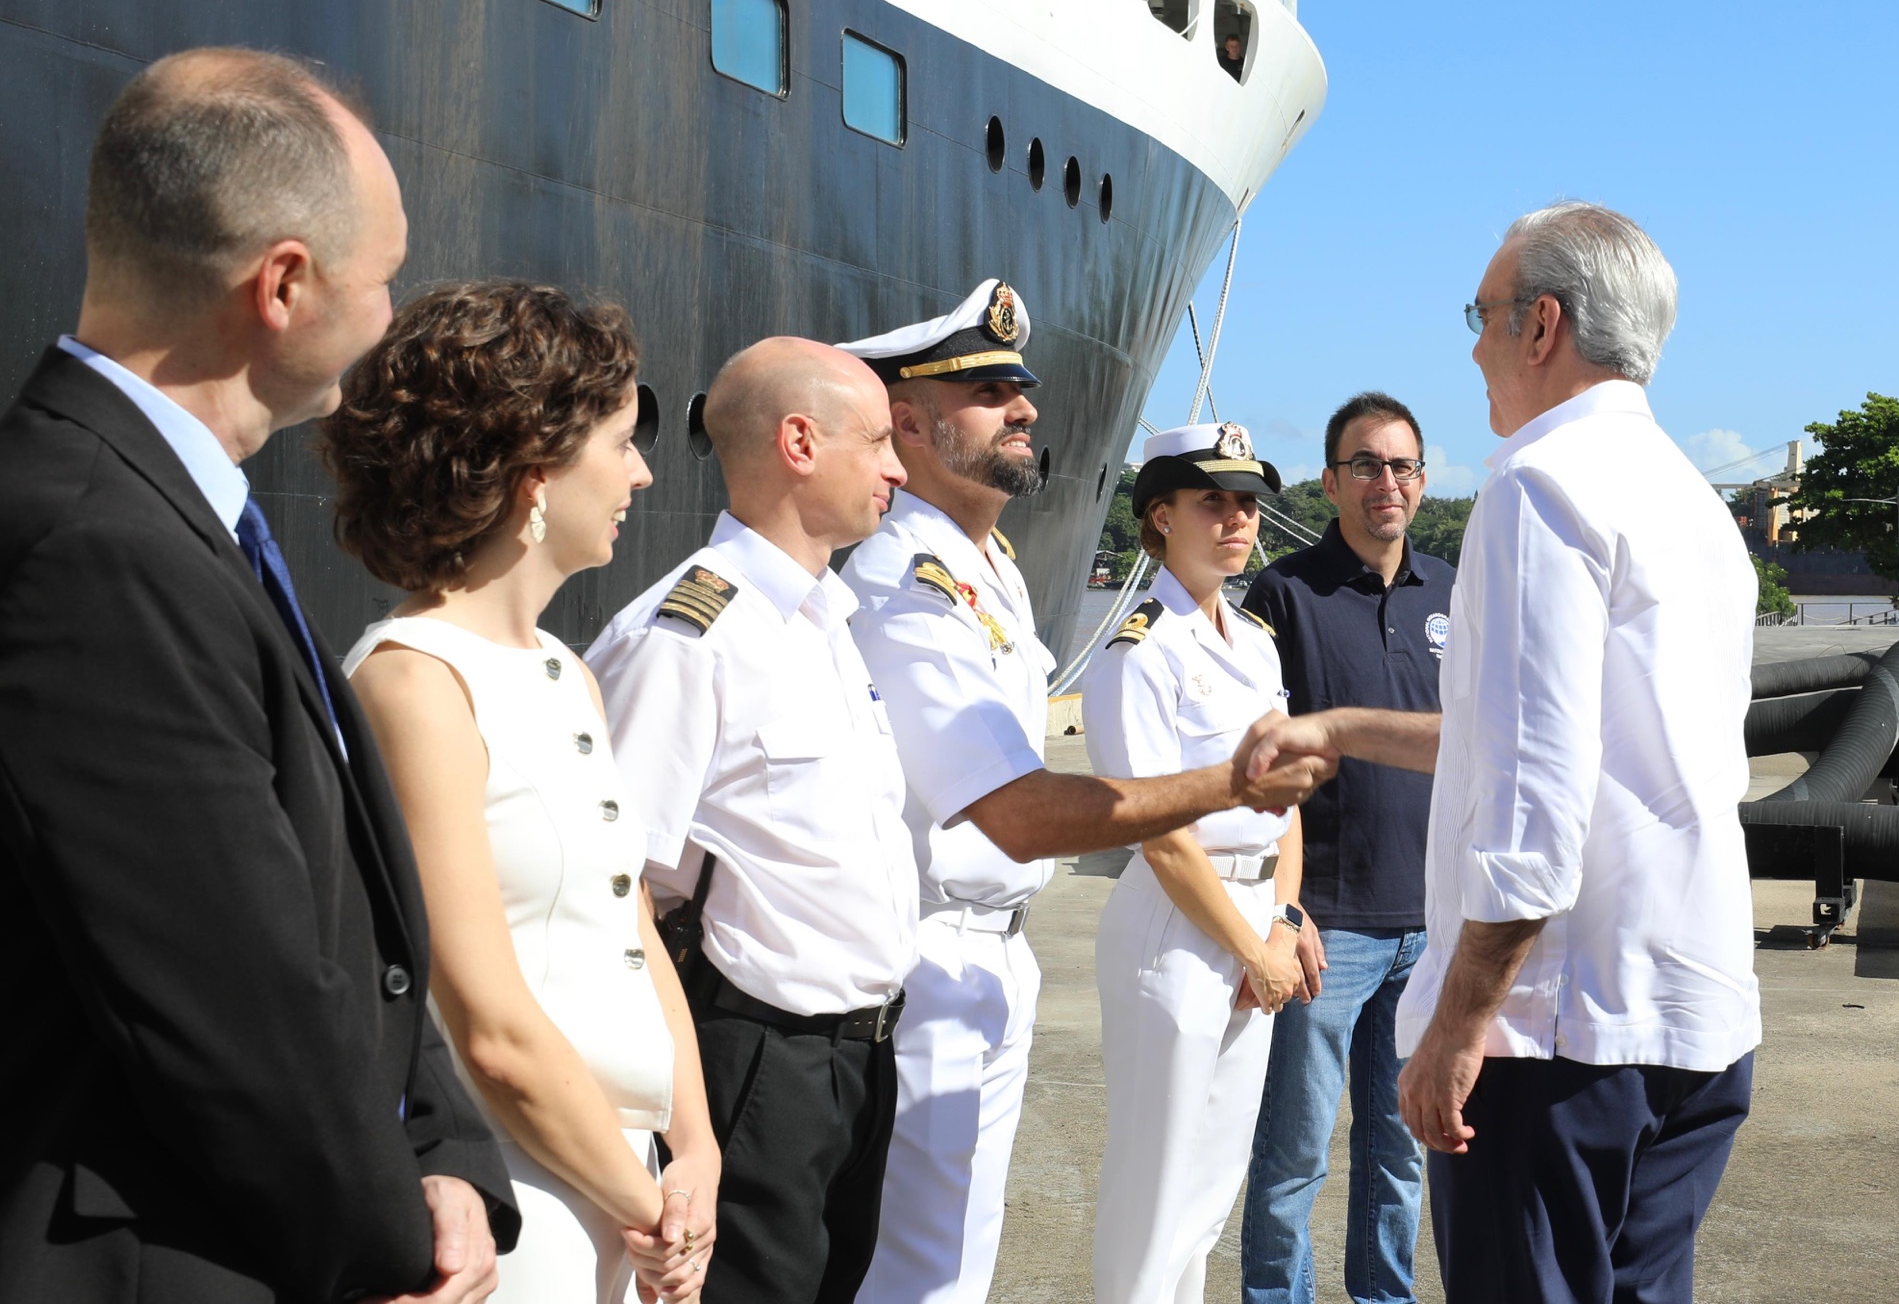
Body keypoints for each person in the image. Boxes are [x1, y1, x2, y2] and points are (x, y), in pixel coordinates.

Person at [0, 48, 518, 1302]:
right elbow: (226, 998)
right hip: (183, 1255)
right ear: (282, 283)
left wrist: (443, 1144)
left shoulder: (161, 513)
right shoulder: (94, 543)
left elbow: (337, 910)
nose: (392, 313)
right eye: (382, 277)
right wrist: (391, 1238)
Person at [1240, 202, 1761, 1303]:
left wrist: (1458, 1022)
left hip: (1556, 1033)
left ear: (1541, 327)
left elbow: (1537, 795)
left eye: (1480, 316)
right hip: (1696, 1012)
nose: (1471, 345)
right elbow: (1555, 742)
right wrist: (1339, 728)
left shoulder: (1537, 482)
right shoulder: (1692, 501)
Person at [837, 285, 1333, 1304]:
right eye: (986, 389)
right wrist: (1233, 784)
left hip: (1000, 946)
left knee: (970, 1257)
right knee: (916, 1267)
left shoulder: (994, 574)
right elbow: (1015, 809)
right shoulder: (906, 582)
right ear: (908, 423)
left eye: (1020, 388)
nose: (1022, 407)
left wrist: (1279, 910)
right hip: (929, 950)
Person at [325, 281, 720, 1304]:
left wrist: (697, 1146)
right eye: (622, 441)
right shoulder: (414, 681)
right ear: (534, 470)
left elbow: (627, 921)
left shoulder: (564, 668)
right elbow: (488, 1026)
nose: (639, 472)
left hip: (629, 1186)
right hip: (519, 1199)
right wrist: (647, 1202)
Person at [585, 338, 917, 1304]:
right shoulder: (688, 638)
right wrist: (684, 1127)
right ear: (801, 442)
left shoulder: (825, 624)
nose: (899, 467)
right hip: (754, 1069)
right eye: (881, 441)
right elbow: (619, 892)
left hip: (860, 1063)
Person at [1084, 422, 1307, 1304]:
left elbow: (1287, 797)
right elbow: (1159, 833)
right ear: (1159, 517)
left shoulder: (1253, 642)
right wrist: (1250, 949)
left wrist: (1283, 925)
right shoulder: (1139, 651)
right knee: (1156, 1191)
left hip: (1258, 921)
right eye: (1211, 501)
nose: (1236, 519)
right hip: (1177, 930)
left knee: (1211, 1190)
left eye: (1247, 503)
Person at [1238, 392, 1452, 1304]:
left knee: (1399, 1159)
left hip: (1429, 928)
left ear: (1423, 479)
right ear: (1330, 481)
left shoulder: (1452, 592)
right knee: (1292, 1160)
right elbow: (1252, 771)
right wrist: (1286, 913)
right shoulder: (1284, 594)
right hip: (1331, 930)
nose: (1386, 484)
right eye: (1365, 465)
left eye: (1402, 466)